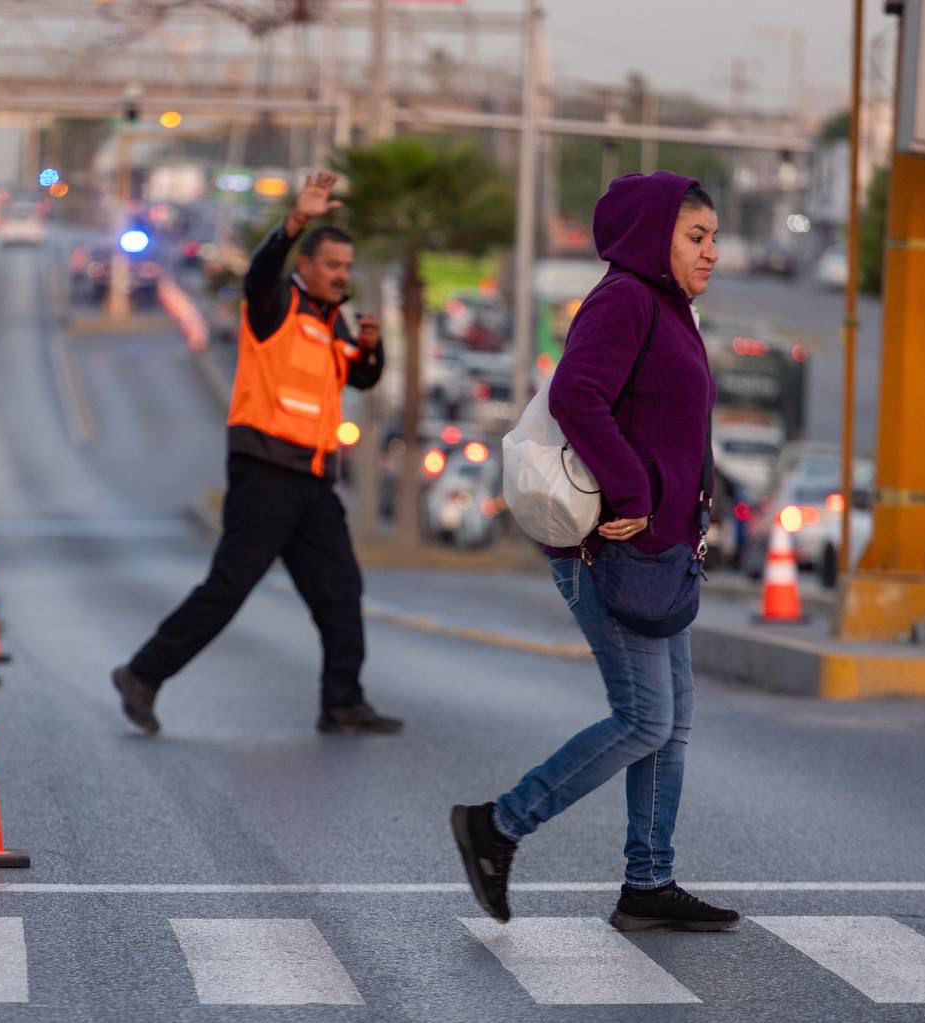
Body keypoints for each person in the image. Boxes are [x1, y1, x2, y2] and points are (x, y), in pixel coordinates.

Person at [451, 171, 740, 932]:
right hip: (609, 546)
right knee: (644, 718)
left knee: (671, 723)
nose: (713, 252)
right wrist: (636, 495)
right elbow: (579, 394)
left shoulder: (675, 310)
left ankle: (648, 880)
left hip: (662, 549)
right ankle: (498, 825)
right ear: (655, 235)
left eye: (714, 237)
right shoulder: (625, 299)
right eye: (697, 236)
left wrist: (688, 509)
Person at [112, 172, 403, 736]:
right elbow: (261, 270)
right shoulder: (276, 303)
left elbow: (362, 378)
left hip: (313, 480)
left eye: (347, 268)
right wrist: (296, 221)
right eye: (333, 266)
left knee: (341, 590)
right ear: (307, 265)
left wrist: (372, 348)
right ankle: (142, 674)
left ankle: (342, 701)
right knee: (228, 589)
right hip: (265, 471)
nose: (343, 276)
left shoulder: (332, 319)